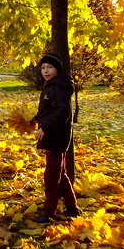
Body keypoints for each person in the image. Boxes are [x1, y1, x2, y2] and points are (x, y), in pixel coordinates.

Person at [32, 54, 79, 222]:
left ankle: (49, 211)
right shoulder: (51, 86)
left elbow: (62, 113)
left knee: (51, 177)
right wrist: (36, 118)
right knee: (62, 173)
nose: (46, 70)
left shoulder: (59, 87)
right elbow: (50, 109)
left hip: (56, 137)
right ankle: (72, 207)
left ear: (57, 70)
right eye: (43, 67)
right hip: (55, 136)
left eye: (50, 67)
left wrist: (45, 127)